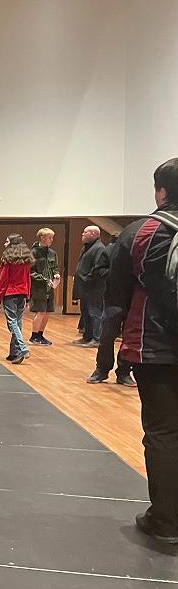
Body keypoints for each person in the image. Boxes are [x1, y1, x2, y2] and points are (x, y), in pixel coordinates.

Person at [102, 158, 178, 544]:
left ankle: (166, 521)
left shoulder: (141, 232)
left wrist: (108, 351)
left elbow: (115, 297)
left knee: (163, 431)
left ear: (160, 192)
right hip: (157, 346)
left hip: (156, 346)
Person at [88, 233, 136, 386]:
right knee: (107, 337)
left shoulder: (137, 251)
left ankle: (124, 372)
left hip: (135, 301)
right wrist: (116, 275)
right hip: (113, 300)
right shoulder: (109, 250)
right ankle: (102, 370)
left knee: (130, 339)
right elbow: (98, 271)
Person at [0, 234, 35, 365]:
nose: (4, 244)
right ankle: (14, 352)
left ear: (12, 243)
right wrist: (28, 296)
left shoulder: (8, 259)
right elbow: (28, 279)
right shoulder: (26, 260)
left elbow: (3, 279)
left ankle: (22, 348)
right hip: (22, 293)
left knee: (12, 322)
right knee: (17, 322)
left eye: (7, 241)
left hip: (10, 293)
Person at [72, 226, 108, 348]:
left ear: (92, 234)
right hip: (85, 288)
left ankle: (96, 338)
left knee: (95, 313)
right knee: (86, 313)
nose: (82, 234)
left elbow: (98, 268)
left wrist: (87, 279)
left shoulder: (99, 248)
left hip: (94, 288)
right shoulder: (87, 248)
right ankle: (87, 336)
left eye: (85, 232)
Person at [29, 227, 61, 345]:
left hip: (50, 287)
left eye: (52, 238)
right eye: (49, 238)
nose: (51, 240)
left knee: (47, 312)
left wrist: (56, 274)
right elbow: (30, 271)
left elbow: (55, 267)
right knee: (41, 312)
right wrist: (43, 279)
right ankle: (34, 336)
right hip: (38, 287)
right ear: (42, 238)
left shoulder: (52, 253)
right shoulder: (33, 252)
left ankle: (40, 335)